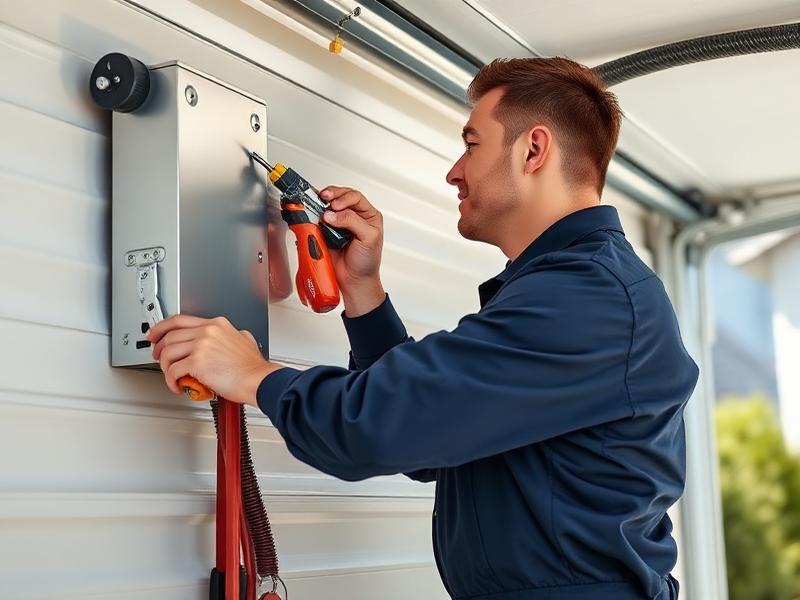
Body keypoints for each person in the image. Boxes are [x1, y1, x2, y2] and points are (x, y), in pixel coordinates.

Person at [147, 57, 698, 600]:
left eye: (472, 144)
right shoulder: (569, 290)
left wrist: (253, 375)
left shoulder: (587, 298)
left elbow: (375, 427)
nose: (454, 171)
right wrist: (364, 293)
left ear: (534, 149)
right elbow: (430, 437)